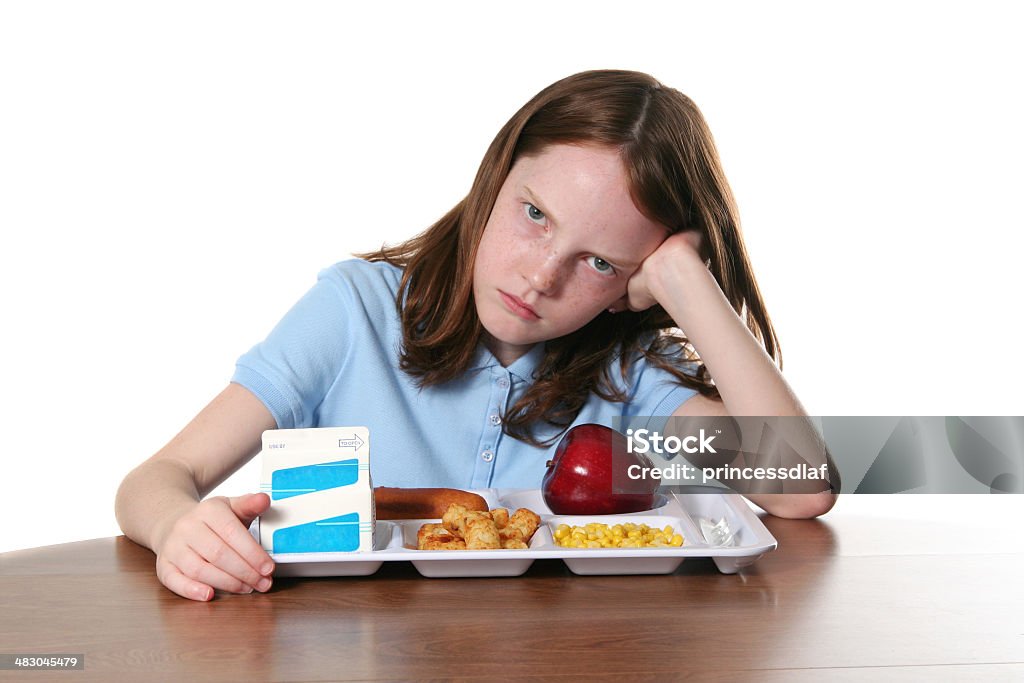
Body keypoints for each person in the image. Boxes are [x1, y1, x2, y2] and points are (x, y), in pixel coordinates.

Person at [115, 69, 837, 602]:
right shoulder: (354, 311)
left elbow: (800, 487)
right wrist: (179, 526)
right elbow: (152, 482)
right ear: (495, 177)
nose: (540, 278)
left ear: (630, 283)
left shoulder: (629, 371)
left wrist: (687, 280)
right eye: (534, 214)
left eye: (598, 261)